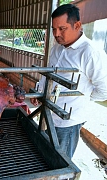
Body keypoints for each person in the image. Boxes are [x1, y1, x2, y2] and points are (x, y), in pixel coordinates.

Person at [30, 4, 107, 159]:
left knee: (60, 160)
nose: (56, 34)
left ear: (77, 25)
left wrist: (81, 98)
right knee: (44, 153)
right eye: (53, 29)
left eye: (62, 28)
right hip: (48, 113)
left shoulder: (91, 53)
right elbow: (48, 73)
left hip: (68, 122)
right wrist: (39, 91)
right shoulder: (57, 48)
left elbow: (104, 89)